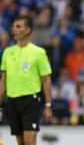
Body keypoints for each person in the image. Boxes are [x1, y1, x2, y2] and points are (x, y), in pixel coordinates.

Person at [0, 16, 52, 145]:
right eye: (13, 27)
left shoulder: (39, 52)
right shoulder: (7, 52)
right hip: (12, 101)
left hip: (31, 100)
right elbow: (3, 81)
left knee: (29, 141)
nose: (14, 29)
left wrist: (48, 105)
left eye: (18, 27)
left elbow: (46, 80)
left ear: (28, 30)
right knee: (21, 142)